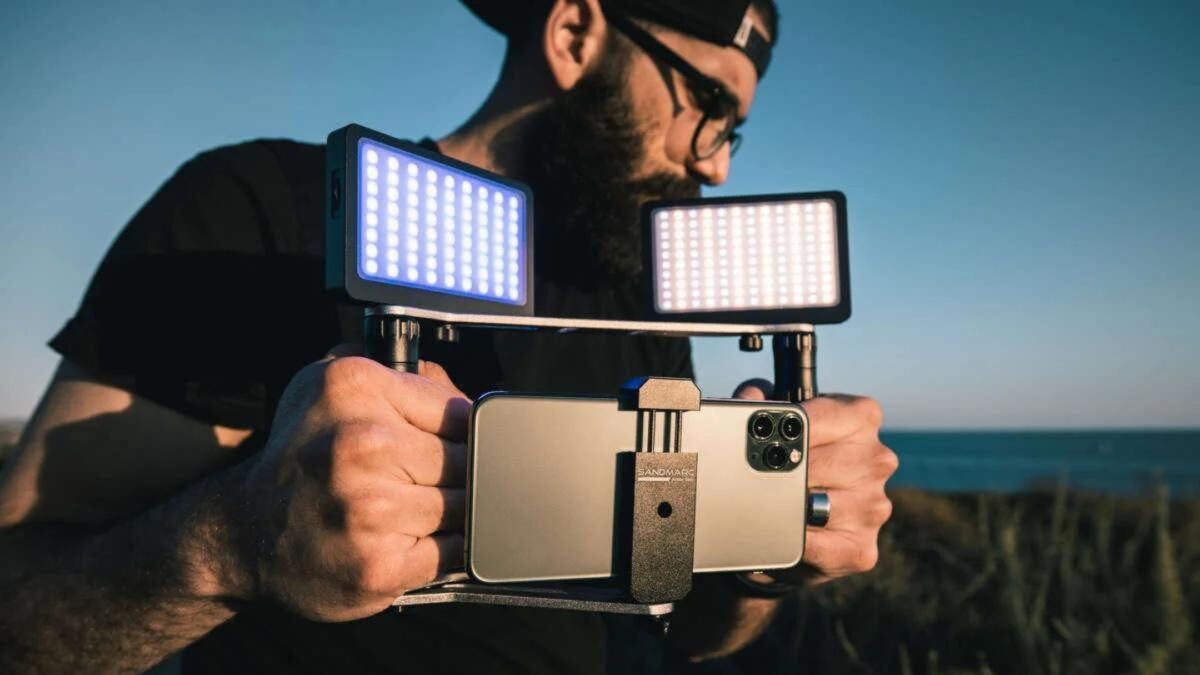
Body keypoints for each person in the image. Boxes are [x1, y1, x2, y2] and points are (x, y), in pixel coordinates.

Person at [0, 0, 898, 673]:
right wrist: (232, 544)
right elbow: (19, 611)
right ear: (575, 32)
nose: (717, 160)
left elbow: (686, 626)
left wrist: (765, 555)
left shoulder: (635, 297)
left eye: (736, 127)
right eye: (706, 99)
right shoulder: (258, 211)